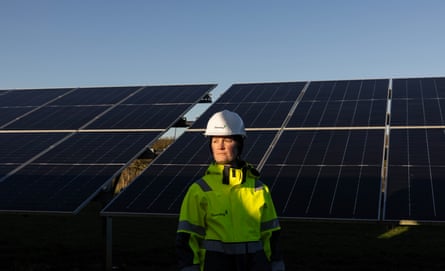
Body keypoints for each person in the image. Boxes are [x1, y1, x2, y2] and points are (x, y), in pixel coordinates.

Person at [176, 110, 285, 271]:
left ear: (239, 144)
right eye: (214, 141)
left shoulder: (259, 189)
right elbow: (187, 239)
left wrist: (276, 265)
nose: (219, 146)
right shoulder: (199, 190)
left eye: (226, 140)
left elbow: (271, 235)